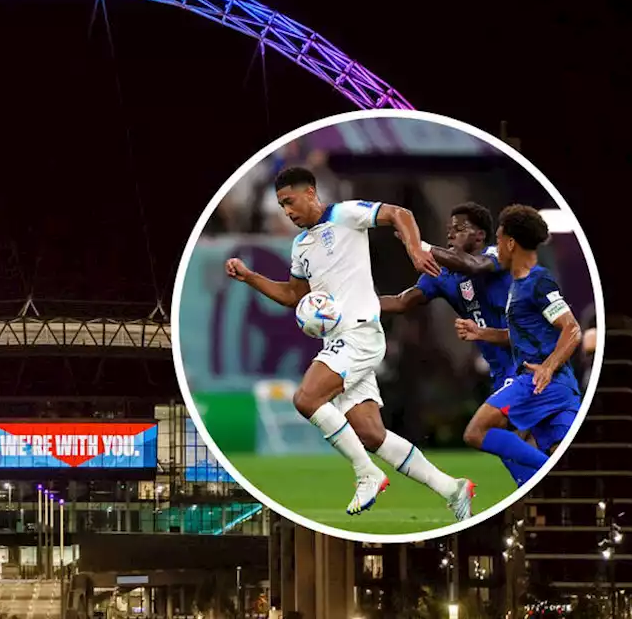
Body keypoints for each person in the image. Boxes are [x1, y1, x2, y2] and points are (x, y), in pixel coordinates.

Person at [225, 166, 475, 520]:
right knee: (371, 433)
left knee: (307, 398)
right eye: (282, 207)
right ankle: (452, 488)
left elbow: (398, 213)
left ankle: (366, 473)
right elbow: (292, 294)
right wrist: (250, 277)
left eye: (290, 202)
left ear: (311, 193)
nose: (287, 212)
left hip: (358, 333)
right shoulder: (301, 246)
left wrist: (415, 249)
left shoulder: (345, 214)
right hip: (337, 342)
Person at [377, 203, 537, 486]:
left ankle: (546, 475)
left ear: (479, 236)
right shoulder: (441, 272)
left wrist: (420, 244)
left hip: (529, 362)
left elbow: (472, 266)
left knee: (481, 432)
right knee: (515, 441)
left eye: (459, 229)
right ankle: (535, 491)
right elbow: (402, 302)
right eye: (449, 229)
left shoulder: (494, 256)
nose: (451, 234)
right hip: (501, 371)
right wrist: (350, 305)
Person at [454, 205, 583, 481]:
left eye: (498, 239)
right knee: (565, 457)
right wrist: (481, 333)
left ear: (510, 243)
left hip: (539, 381)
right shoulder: (518, 285)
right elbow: (524, 334)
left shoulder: (538, 282)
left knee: (477, 432)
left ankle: (543, 478)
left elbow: (572, 329)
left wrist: (547, 368)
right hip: (559, 387)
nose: (495, 246)